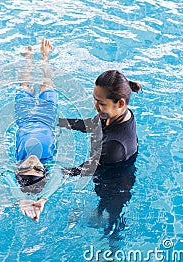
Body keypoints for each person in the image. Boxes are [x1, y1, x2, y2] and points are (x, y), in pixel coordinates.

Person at [58, 70, 141, 236]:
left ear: (120, 103)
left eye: (101, 103)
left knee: (113, 217)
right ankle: (99, 214)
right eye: (95, 100)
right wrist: (61, 122)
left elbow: (89, 168)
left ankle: (112, 249)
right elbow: (92, 124)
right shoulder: (115, 114)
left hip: (117, 185)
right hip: (106, 168)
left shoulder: (114, 145)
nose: (96, 107)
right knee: (101, 205)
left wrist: (59, 172)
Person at [14, 38, 57, 222]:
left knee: (25, 86)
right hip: (47, 117)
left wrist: (20, 199)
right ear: (44, 170)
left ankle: (29, 59)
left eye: (26, 168)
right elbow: (57, 180)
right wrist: (44, 199)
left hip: (24, 117)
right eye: (37, 169)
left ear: (18, 169)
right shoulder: (49, 160)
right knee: (46, 84)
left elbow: (6, 181)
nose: (32, 162)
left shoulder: (16, 158)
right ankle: (45, 58)